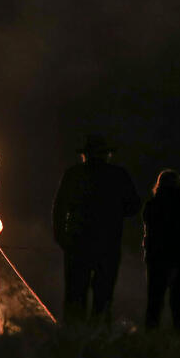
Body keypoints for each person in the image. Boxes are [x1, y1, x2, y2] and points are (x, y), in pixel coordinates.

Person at [52, 134, 140, 324]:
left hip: (77, 243)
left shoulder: (74, 174)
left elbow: (59, 207)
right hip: (108, 244)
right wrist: (113, 213)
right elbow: (133, 206)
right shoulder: (118, 175)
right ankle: (99, 339)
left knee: (75, 295)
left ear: (85, 155)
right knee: (103, 295)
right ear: (107, 155)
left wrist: (61, 236)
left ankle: (73, 340)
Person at [143, 169, 180, 330]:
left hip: (157, 257)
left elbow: (150, 231)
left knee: (154, 301)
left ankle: (150, 337)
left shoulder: (152, 205)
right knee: (178, 302)